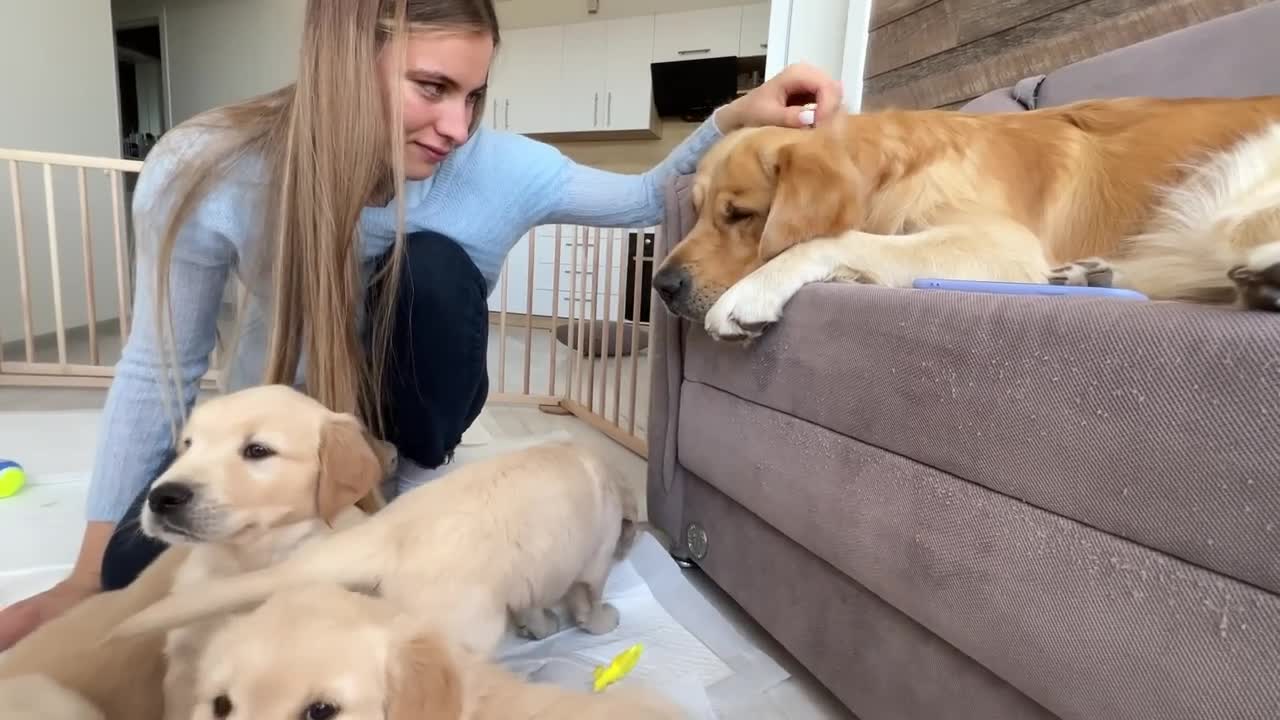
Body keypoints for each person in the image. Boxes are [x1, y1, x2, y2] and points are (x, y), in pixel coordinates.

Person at [0, 0, 842, 650]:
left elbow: (637, 198)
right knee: (130, 582)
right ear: (342, 63)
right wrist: (85, 575)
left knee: (432, 266)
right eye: (432, 87)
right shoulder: (209, 168)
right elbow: (160, 367)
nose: (457, 127)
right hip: (284, 461)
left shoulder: (507, 168)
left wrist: (733, 118)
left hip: (408, 452)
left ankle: (413, 499)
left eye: (474, 95)